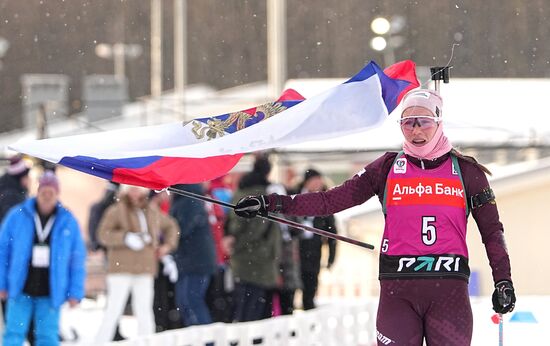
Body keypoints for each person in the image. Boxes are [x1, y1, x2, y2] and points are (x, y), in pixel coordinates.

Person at [234, 89, 515, 345]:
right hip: (397, 290)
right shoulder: (387, 167)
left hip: (448, 291)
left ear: (439, 122)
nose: (415, 130)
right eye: (408, 122)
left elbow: (492, 231)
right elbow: (331, 200)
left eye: (424, 121)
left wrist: (503, 280)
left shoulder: (466, 172)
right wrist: (270, 203)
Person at [0, 170, 86, 346]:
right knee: (13, 334)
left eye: (51, 193)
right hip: (19, 288)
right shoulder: (17, 216)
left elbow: (77, 259)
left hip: (50, 291)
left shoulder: (68, 221)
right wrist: (2, 284)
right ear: (37, 192)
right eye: (43, 192)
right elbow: (3, 251)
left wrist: (75, 291)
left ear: (57, 194)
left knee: (47, 337)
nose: (47, 196)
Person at [95, 185, 179, 342]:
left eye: (137, 189)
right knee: (113, 311)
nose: (134, 192)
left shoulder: (152, 211)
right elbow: (102, 234)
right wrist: (125, 237)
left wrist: (166, 246)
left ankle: (148, 342)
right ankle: (100, 342)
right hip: (121, 269)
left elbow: (171, 226)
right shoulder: (116, 210)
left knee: (145, 311)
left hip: (145, 269)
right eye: (131, 189)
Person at [225, 154, 282, 322]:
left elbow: (233, 223)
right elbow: (256, 229)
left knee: (245, 307)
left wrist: (233, 243)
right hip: (257, 258)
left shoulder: (242, 191)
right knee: (254, 311)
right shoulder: (262, 194)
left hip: (246, 259)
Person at [170, 183, 217, 326]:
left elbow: (181, 229)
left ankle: (207, 340)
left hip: (196, 262)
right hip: (191, 260)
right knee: (186, 302)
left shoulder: (189, 200)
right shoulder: (188, 198)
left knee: (191, 301)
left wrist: (165, 232)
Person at [294, 169, 337, 310]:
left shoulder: (325, 200)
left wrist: (331, 258)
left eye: (319, 180)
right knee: (292, 286)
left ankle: (308, 315)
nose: (318, 183)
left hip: (313, 252)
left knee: (310, 287)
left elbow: (332, 233)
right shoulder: (294, 195)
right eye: (314, 180)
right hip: (295, 251)